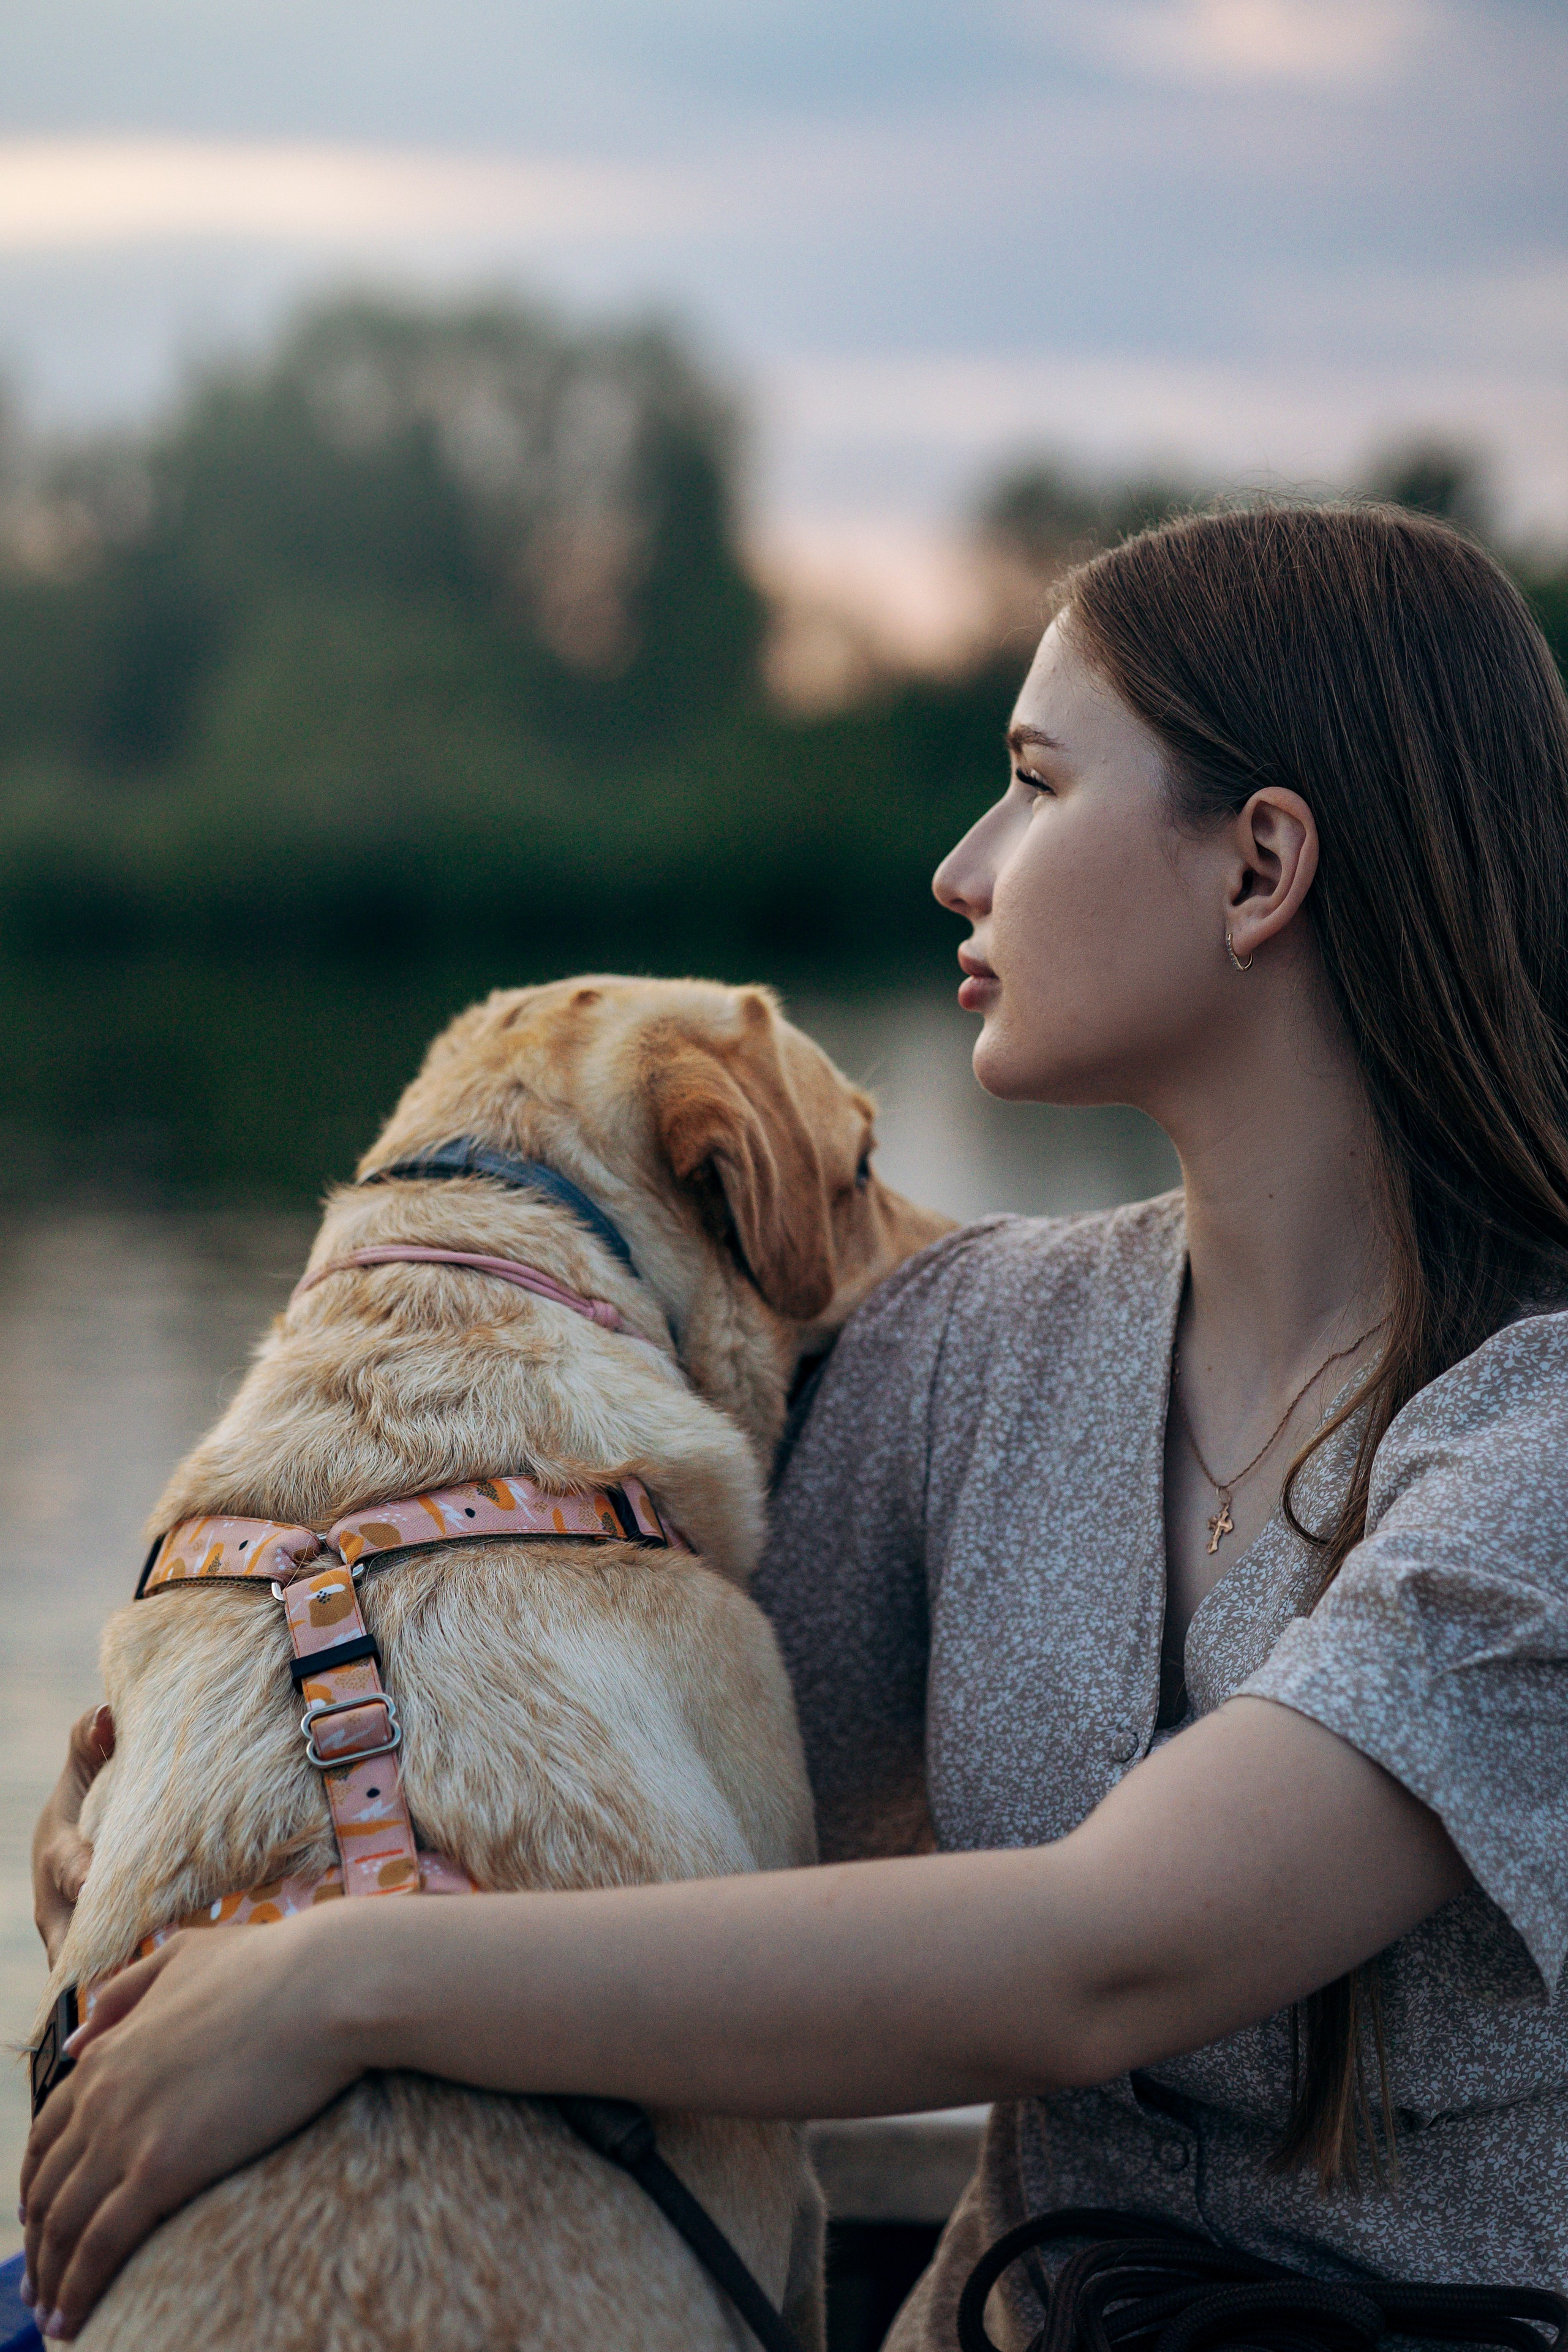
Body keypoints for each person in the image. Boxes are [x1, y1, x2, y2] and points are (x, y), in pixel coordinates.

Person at [21, 502, 1568, 2351]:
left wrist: (336, 1979)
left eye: (1034, 783)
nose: (961, 867)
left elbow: (1104, 1958)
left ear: (1261, 868)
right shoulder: (970, 1340)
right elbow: (625, 1776)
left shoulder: (1536, 1452)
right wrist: (198, 1822)